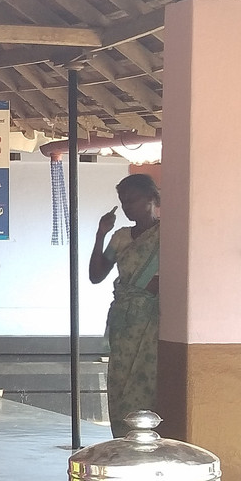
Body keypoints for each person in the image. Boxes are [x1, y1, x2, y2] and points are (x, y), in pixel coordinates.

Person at [89, 173, 160, 437]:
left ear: (152, 198)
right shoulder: (120, 238)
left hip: (154, 321)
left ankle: (147, 433)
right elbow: (96, 275)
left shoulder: (170, 233)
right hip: (125, 321)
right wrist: (100, 234)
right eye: (123, 201)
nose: (127, 206)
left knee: (148, 379)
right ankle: (123, 434)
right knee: (120, 377)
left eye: (133, 200)